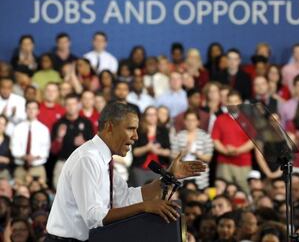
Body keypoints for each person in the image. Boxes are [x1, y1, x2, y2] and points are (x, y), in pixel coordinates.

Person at [46, 102, 206, 241]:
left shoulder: (103, 159)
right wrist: (145, 207)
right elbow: (95, 218)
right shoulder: (87, 159)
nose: (136, 136)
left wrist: (169, 178)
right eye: (130, 129)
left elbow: (127, 198)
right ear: (110, 127)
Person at [212, 91, 254, 193]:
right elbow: (215, 140)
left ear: (241, 102)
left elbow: (253, 141)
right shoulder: (220, 119)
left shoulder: (248, 119)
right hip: (224, 162)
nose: (233, 104)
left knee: (245, 192)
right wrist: (226, 151)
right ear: (226, 103)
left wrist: (237, 150)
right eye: (230, 102)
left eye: (236, 101)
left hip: (243, 162)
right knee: (222, 192)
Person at [51, 94, 94, 188]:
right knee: (59, 193)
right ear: (64, 106)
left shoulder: (87, 123)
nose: (71, 107)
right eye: (68, 104)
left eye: (73, 104)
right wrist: (59, 138)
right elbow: (53, 151)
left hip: (82, 164)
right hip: (63, 163)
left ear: (79, 105)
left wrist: (84, 143)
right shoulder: (58, 124)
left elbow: (94, 148)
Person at [171, 109, 213, 190]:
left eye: (193, 120)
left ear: (198, 122)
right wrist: (184, 152)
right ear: (184, 121)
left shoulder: (205, 136)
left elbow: (209, 157)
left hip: (200, 178)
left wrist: (196, 154)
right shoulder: (179, 136)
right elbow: (173, 156)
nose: (190, 122)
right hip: (182, 177)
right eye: (188, 120)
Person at [11, 101, 50, 185]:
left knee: (39, 195)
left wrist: (34, 157)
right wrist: (24, 156)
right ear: (25, 110)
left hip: (37, 167)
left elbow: (45, 150)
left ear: (38, 111)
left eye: (34, 108)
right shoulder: (18, 128)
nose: (31, 111)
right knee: (19, 194)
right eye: (29, 108)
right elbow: (14, 147)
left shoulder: (43, 129)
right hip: (21, 167)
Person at [130, 106, 170, 187]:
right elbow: (134, 152)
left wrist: (158, 151)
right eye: (149, 115)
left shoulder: (163, 130)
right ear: (145, 116)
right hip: (141, 168)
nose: (152, 117)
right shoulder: (139, 131)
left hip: (160, 169)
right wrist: (147, 148)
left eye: (154, 114)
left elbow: (169, 152)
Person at [0, 115, 11, 180]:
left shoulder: (9, 140)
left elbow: (12, 160)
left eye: (2, 124)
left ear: (5, 126)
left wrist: (6, 160)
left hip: (5, 172)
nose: (0, 126)